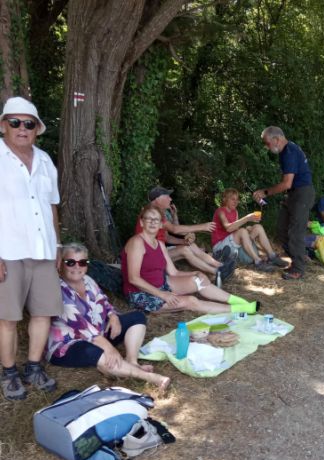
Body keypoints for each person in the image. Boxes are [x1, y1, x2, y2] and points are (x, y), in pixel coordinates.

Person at [0, 97, 63, 401]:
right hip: (8, 251)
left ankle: (34, 368)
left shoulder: (45, 160)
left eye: (28, 123)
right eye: (15, 122)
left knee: (43, 312)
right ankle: (9, 373)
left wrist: (58, 245)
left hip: (44, 249)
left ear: (37, 129)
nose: (21, 128)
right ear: (4, 126)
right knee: (8, 318)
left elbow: (52, 206)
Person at [47, 244, 170, 391]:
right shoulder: (57, 290)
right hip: (69, 345)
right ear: (61, 264)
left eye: (82, 262)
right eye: (70, 262)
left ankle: (132, 361)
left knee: (137, 317)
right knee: (94, 351)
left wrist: (113, 316)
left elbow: (104, 301)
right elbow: (82, 327)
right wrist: (109, 348)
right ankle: (150, 377)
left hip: (99, 334)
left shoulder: (88, 280)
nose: (77, 267)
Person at [123, 205, 260, 315]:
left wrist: (196, 273)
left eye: (156, 220)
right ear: (141, 222)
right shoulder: (137, 242)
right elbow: (133, 279)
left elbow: (174, 272)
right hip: (141, 294)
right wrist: (163, 295)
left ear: (161, 225)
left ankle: (239, 301)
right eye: (148, 219)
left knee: (198, 281)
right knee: (191, 301)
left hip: (162, 284)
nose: (153, 222)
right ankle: (241, 309)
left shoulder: (159, 244)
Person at [253, 126, 315, 280]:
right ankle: (299, 257)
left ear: (276, 139)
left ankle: (298, 269)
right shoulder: (287, 150)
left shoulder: (289, 152)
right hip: (294, 194)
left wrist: (265, 192)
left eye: (267, 143)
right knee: (281, 228)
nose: (266, 147)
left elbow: (287, 183)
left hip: (302, 194)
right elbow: (289, 184)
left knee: (296, 231)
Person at [135, 187, 234, 281]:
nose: (170, 199)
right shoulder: (151, 213)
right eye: (167, 196)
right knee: (184, 250)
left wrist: (183, 241)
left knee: (190, 245)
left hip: (160, 250)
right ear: (158, 199)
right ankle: (217, 272)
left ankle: (220, 265)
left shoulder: (158, 212)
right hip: (150, 256)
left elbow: (166, 237)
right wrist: (202, 227)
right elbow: (174, 229)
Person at [212, 188, 288, 273]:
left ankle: (272, 256)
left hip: (233, 244)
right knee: (242, 231)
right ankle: (258, 262)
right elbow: (228, 228)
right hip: (221, 248)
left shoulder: (235, 211)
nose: (235, 202)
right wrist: (247, 218)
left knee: (257, 227)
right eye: (232, 199)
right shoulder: (220, 211)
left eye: (237, 199)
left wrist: (248, 230)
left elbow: (235, 230)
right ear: (225, 199)